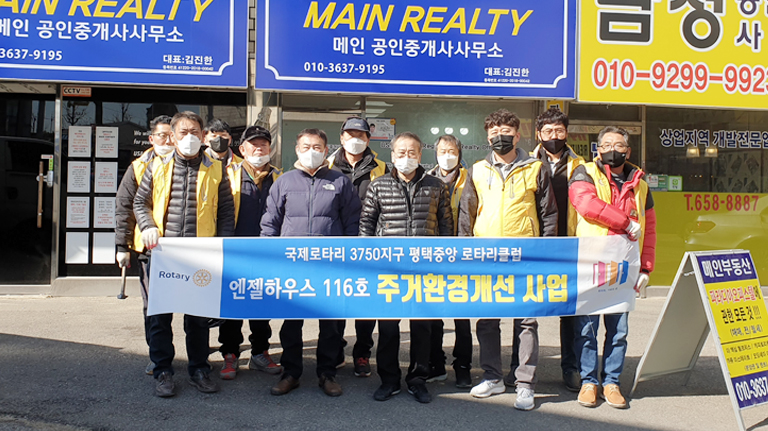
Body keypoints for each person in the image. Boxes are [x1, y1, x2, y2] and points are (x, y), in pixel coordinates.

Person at [458, 109, 558, 411]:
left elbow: (548, 214)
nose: (500, 137)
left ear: (517, 135)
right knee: (488, 320)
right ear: (487, 137)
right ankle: (493, 377)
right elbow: (467, 213)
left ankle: (525, 383)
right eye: (494, 133)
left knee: (526, 321)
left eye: (506, 132)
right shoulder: (477, 170)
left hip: (525, 255)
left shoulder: (536, 168)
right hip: (486, 255)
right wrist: (466, 253)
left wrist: (546, 253)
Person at [134, 111, 236, 398]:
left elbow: (226, 211)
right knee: (160, 317)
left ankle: (199, 369)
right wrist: (148, 226)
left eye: (194, 132)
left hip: (199, 255)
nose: (189, 137)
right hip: (162, 254)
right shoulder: (156, 166)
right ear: (173, 136)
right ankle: (163, 371)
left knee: (198, 318)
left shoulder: (216, 169)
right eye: (183, 132)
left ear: (203, 136)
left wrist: (222, 247)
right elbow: (140, 203)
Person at [261, 128, 361, 397]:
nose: (311, 152)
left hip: (330, 265)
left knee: (330, 324)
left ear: (326, 151)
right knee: (292, 323)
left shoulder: (340, 182)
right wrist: (266, 255)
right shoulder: (284, 182)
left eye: (317, 147)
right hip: (292, 265)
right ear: (297, 150)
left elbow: (352, 222)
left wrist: (350, 258)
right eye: (306, 147)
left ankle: (327, 373)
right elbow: (270, 222)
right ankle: (291, 372)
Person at [359, 132, 453, 404]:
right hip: (389, 269)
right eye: (401, 152)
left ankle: (417, 379)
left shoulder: (436, 186)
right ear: (392, 155)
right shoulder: (379, 185)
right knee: (388, 328)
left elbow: (446, 226)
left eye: (412, 152)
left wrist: (444, 263)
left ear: (420, 155)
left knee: (422, 328)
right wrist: (368, 263)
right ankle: (389, 380)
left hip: (425, 270)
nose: (406, 157)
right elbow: (366, 225)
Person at [568, 126, 656, 409]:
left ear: (628, 151)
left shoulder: (640, 184)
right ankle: (589, 382)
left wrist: (646, 268)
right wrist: (625, 223)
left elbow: (649, 228)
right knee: (587, 328)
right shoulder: (584, 172)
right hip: (591, 264)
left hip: (624, 266)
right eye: (606, 145)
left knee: (619, 330)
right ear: (598, 149)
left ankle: (612, 382)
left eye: (618, 145)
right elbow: (586, 204)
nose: (612, 149)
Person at [216, 125, 283, 380]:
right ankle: (230, 354)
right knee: (231, 306)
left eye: (263, 145)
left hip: (266, 252)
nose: (259, 149)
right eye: (253, 145)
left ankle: (260, 352)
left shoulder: (280, 177)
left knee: (261, 304)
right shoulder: (226, 174)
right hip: (234, 251)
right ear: (242, 149)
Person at [328, 116, 387, 378]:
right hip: (336, 243)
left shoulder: (381, 167)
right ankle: (336, 349)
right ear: (341, 138)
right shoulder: (327, 164)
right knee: (337, 301)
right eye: (350, 134)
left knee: (366, 302)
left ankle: (362, 352)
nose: (355, 139)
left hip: (369, 244)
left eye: (360, 135)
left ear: (368, 139)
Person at [115, 115, 174, 376]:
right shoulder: (139, 167)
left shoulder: (193, 164)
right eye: (162, 135)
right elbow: (124, 206)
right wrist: (122, 245)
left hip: (185, 248)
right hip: (151, 249)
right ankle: (157, 355)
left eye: (171, 135)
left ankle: (198, 357)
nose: (167, 140)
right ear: (151, 138)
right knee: (154, 307)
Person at [531, 108, 585, 392]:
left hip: (569, 242)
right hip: (535, 244)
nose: (554, 136)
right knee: (527, 307)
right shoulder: (527, 163)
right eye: (548, 131)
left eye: (559, 131)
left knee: (571, 309)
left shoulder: (581, 166)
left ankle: (571, 367)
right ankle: (521, 367)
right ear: (538, 134)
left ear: (567, 133)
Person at [425, 134, 473, 389]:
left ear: (459, 153)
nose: (447, 155)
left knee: (462, 318)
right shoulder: (427, 179)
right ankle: (436, 364)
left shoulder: (471, 177)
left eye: (452, 151)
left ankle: (463, 367)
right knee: (433, 316)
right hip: (433, 256)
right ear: (436, 153)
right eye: (443, 151)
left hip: (462, 255)